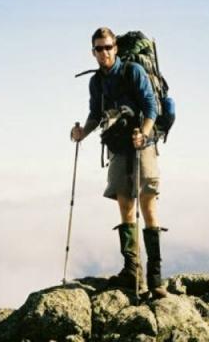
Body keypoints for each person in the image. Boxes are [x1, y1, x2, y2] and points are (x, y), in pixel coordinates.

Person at [70, 27, 168, 298]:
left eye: (109, 47)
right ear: (93, 52)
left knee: (147, 204)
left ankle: (155, 279)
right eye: (99, 49)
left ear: (116, 48)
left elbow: (151, 106)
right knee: (125, 205)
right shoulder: (96, 82)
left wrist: (144, 133)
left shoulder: (132, 71)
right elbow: (94, 114)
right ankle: (132, 271)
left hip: (142, 144)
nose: (105, 53)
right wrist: (82, 134)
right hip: (118, 146)